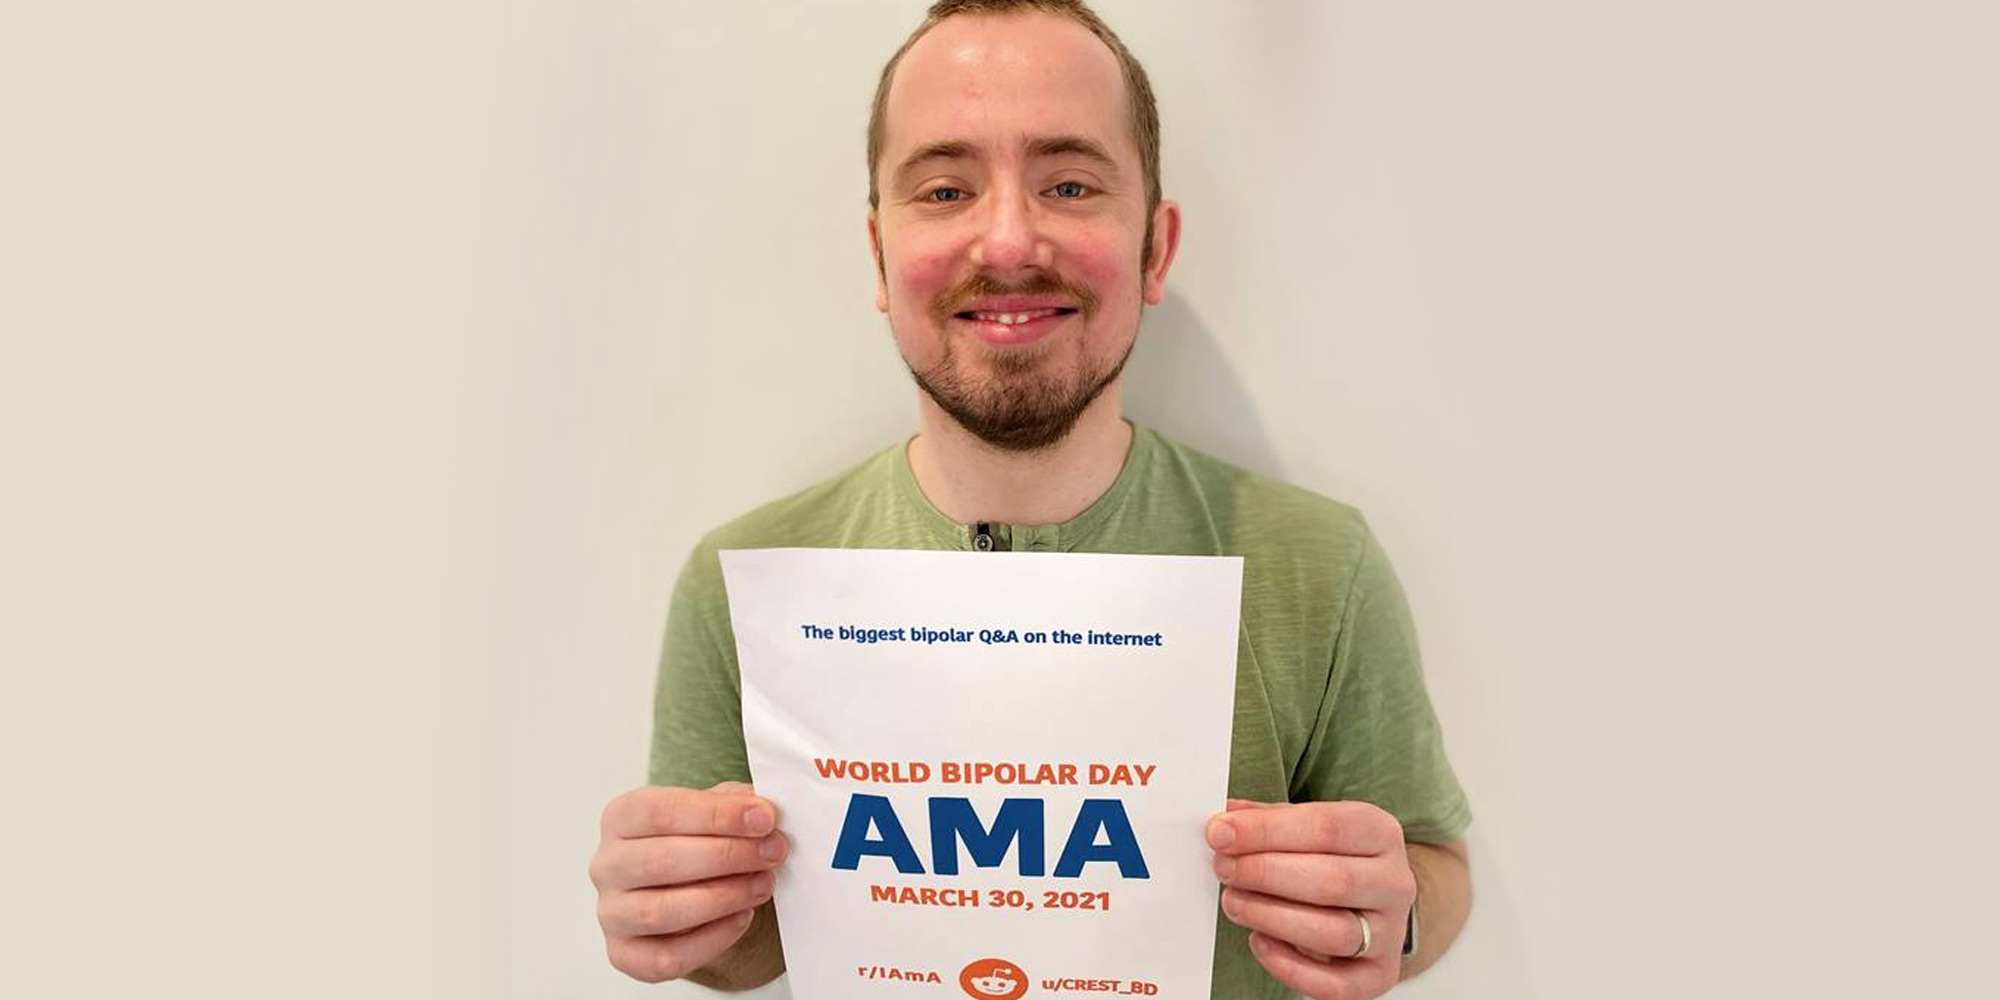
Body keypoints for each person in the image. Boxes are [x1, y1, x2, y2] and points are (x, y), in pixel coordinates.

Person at [587, 2, 1473, 997]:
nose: (1006, 240)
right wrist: (687, 916)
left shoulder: (1320, 564)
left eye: (1068, 183)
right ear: (878, 253)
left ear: (1154, 249)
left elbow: (1432, 868)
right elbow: (753, 952)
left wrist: (1384, 916)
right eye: (944, 188)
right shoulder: (740, 585)